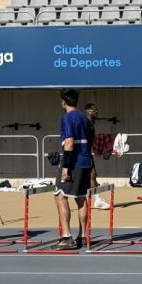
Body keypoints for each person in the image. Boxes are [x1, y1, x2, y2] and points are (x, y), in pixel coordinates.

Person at [53, 89, 94, 250]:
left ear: (63, 101)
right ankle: (82, 236)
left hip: (74, 162)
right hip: (85, 161)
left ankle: (66, 236)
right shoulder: (85, 118)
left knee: (59, 195)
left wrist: (66, 166)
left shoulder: (67, 117)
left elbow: (69, 142)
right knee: (81, 198)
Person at [83, 103, 110, 210]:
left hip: (87, 153)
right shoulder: (85, 123)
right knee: (88, 176)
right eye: (95, 112)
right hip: (81, 154)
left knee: (93, 175)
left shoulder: (91, 124)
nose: (97, 114)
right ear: (89, 112)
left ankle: (96, 199)